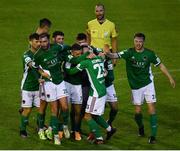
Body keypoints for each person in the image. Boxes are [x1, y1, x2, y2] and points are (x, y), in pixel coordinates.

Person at [104, 32, 176, 144]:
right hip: (135, 86)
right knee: (137, 112)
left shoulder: (150, 54)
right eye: (136, 41)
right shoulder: (129, 52)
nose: (138, 43)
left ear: (143, 42)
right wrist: (108, 53)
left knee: (151, 109)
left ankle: (153, 136)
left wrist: (170, 78)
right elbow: (115, 55)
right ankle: (141, 127)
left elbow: (160, 65)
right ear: (134, 41)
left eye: (140, 41)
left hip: (148, 84)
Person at [66, 45, 116, 144]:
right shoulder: (99, 59)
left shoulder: (85, 63)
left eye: (84, 53)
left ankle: (99, 138)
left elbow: (71, 72)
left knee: (87, 116)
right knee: (95, 115)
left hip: (95, 93)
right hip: (102, 90)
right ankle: (110, 130)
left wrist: (67, 65)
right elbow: (103, 55)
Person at [34, 33, 69, 145]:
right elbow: (35, 67)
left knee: (65, 107)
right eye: (40, 42)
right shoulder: (38, 55)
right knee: (54, 109)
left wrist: (66, 54)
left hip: (60, 81)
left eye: (44, 41)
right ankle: (55, 135)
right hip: (49, 83)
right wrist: (42, 74)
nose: (42, 44)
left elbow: (66, 47)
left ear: (49, 40)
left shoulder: (56, 47)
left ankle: (64, 125)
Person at [19, 33, 50, 138]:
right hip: (27, 87)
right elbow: (32, 65)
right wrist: (40, 75)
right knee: (27, 110)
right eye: (36, 41)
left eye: (39, 41)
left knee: (41, 109)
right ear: (30, 42)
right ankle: (22, 130)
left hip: (39, 87)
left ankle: (40, 127)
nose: (38, 43)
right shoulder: (26, 55)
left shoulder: (42, 53)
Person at [64, 44, 84, 141]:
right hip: (67, 85)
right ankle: (61, 129)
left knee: (78, 111)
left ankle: (76, 131)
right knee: (64, 109)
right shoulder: (68, 59)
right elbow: (68, 71)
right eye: (77, 54)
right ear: (72, 52)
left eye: (80, 54)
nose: (79, 56)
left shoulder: (81, 59)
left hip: (78, 86)